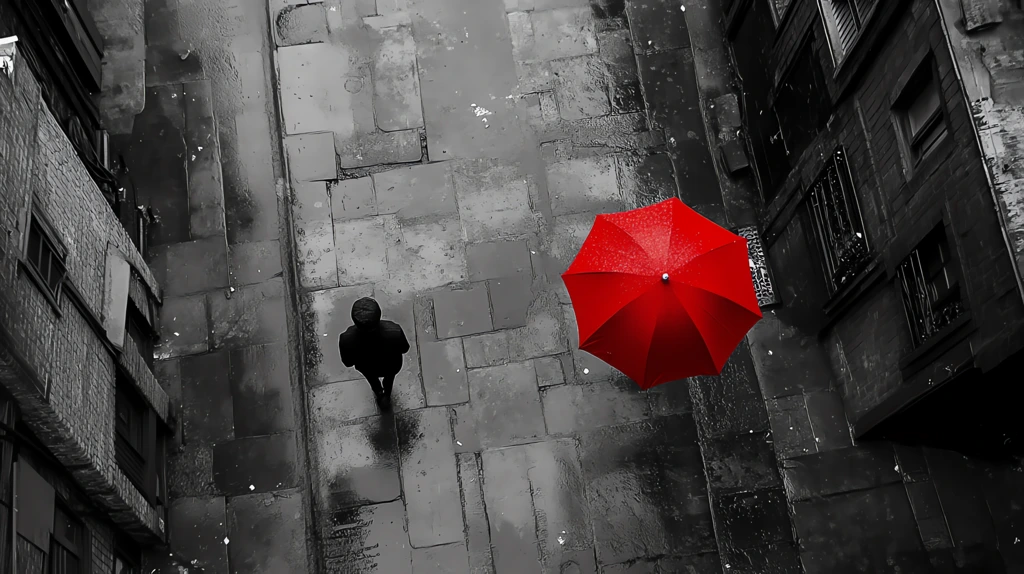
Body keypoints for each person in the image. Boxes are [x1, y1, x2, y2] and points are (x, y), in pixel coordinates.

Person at [339, 297, 410, 410]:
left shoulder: (346, 338)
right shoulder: (394, 331)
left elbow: (348, 362)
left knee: (372, 379)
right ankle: (387, 394)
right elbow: (405, 348)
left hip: (367, 368)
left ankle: (379, 393)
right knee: (389, 378)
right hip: (391, 365)